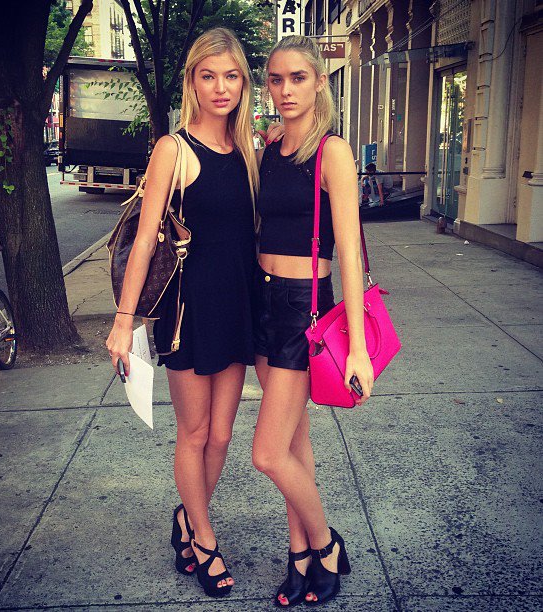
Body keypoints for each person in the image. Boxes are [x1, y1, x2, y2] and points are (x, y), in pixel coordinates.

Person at [105, 28, 282, 598]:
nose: (220, 87)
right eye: (209, 75)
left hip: (237, 305)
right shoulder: (173, 150)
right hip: (188, 311)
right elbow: (143, 241)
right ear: (192, 81)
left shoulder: (250, 152)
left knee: (223, 434)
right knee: (195, 430)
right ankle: (204, 539)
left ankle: (186, 516)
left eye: (231, 76)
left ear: (244, 84)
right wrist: (123, 320)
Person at [252, 35, 374, 607]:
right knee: (294, 445)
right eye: (276, 79)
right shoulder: (270, 150)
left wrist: (358, 349)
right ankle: (298, 555)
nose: (286, 90)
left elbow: (350, 253)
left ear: (320, 82)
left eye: (298, 78)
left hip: (305, 307)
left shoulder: (333, 152)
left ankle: (325, 545)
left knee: (267, 453)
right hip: (262, 301)